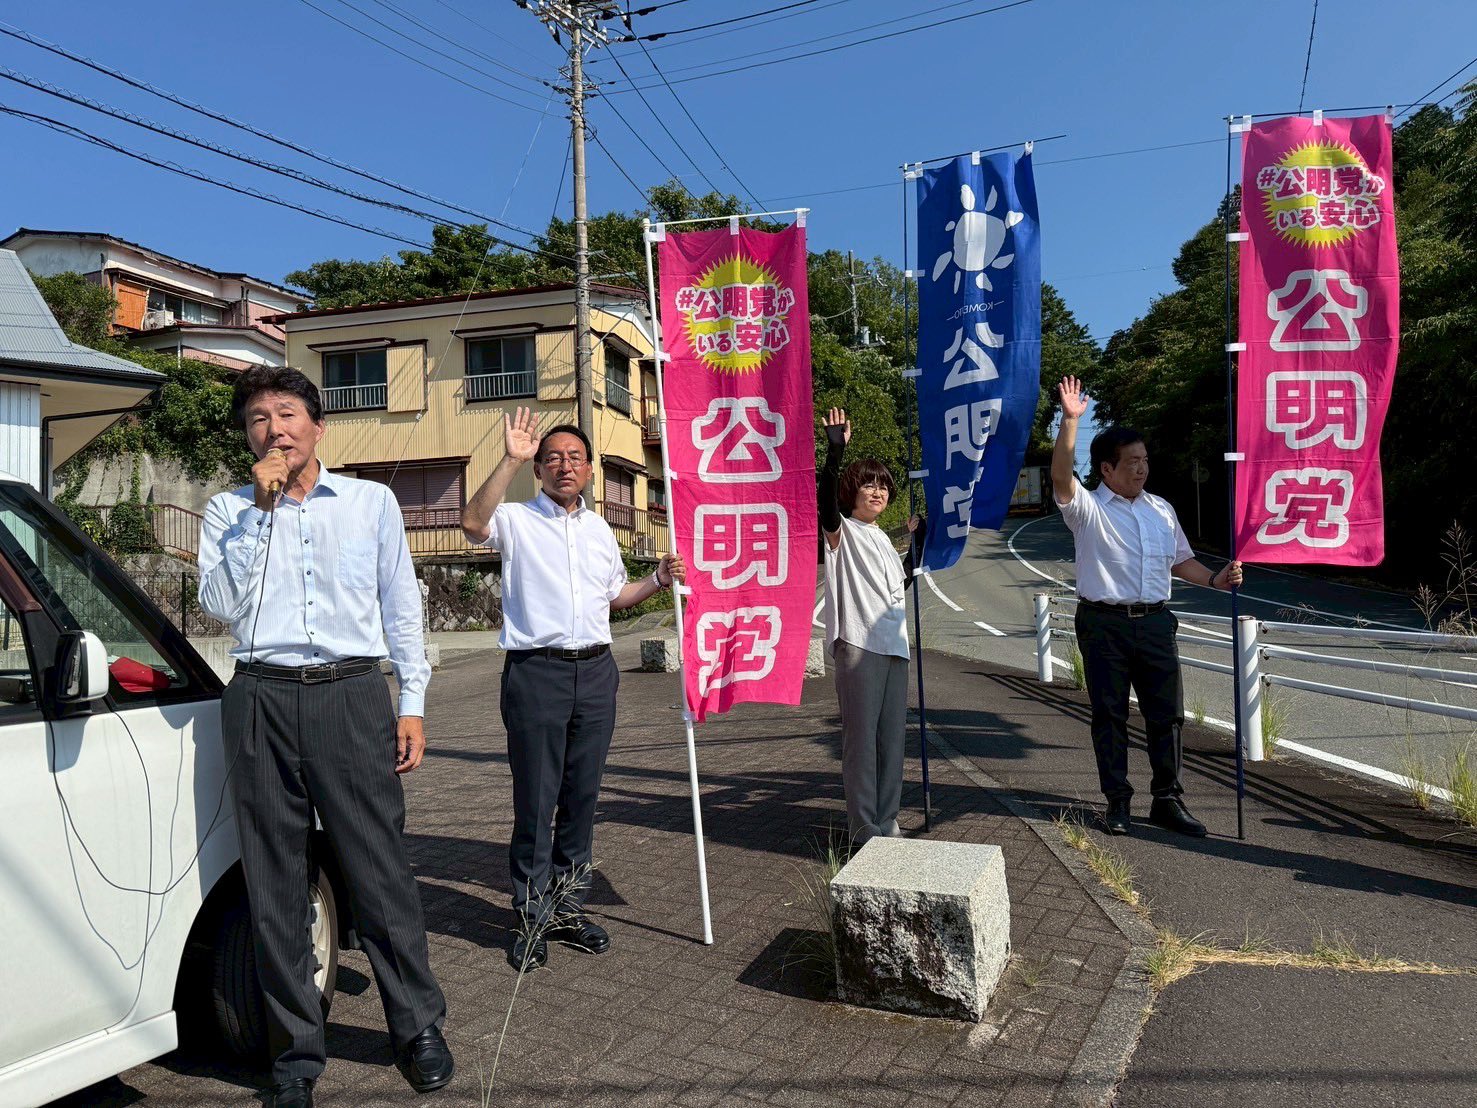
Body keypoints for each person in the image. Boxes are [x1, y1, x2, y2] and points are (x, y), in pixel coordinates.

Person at [198, 367, 452, 1108]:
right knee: (273, 882)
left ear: (317, 426)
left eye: (285, 414)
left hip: (350, 693)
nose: (273, 430)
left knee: (377, 871)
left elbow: (401, 604)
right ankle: (294, 1057)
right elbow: (220, 607)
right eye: (256, 420)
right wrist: (259, 511)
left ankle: (416, 1026)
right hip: (259, 697)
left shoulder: (370, 502)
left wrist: (412, 701)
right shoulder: (227, 510)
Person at [461, 408, 686, 970]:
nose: (565, 466)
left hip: (596, 671)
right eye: (553, 458)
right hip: (536, 672)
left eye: (576, 458)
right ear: (538, 469)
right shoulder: (515, 519)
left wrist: (657, 580)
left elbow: (614, 598)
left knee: (582, 798)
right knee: (536, 799)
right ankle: (530, 915)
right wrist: (507, 458)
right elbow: (471, 524)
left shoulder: (599, 529)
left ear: (589, 470)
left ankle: (567, 909)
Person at [1051, 376, 1243, 838]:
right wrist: (1070, 421)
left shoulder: (1161, 509)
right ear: (1107, 469)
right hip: (1104, 624)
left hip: (1156, 622)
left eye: (1145, 460)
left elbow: (1182, 561)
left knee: (1167, 714)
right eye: (1132, 462)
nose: (1142, 469)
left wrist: (1215, 579)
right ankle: (1117, 801)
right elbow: (1061, 475)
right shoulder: (1088, 509)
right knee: (1110, 714)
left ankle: (1168, 801)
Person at [819, 407, 921, 845]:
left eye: (882, 485)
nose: (876, 491)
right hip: (858, 644)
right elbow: (824, 502)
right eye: (868, 483)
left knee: (891, 742)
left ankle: (887, 822)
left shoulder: (880, 536)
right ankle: (863, 829)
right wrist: (834, 455)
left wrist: (918, 544)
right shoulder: (840, 529)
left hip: (895, 646)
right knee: (860, 743)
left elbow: (900, 582)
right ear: (851, 491)